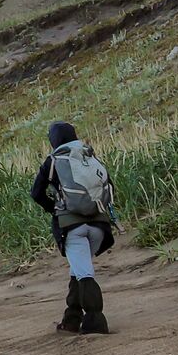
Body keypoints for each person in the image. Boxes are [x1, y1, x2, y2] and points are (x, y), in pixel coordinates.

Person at [30, 122, 117, 334]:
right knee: (78, 270)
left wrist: (55, 209)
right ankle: (71, 320)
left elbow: (36, 193)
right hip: (99, 226)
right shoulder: (89, 155)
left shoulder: (54, 160)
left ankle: (95, 322)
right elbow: (110, 187)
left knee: (84, 274)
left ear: (53, 140)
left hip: (73, 226)